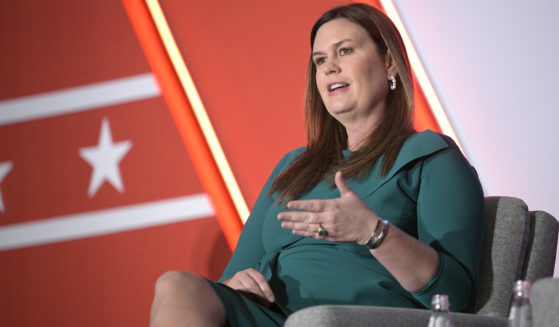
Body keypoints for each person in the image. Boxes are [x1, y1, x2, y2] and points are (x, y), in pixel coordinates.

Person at [149, 3, 485, 326]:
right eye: (320, 59)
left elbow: (454, 295)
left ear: (389, 63)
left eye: (345, 51)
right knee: (176, 285)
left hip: (363, 320)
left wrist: (373, 232)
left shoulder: (430, 156)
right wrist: (238, 283)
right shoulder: (294, 166)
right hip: (273, 317)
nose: (329, 67)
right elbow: (233, 276)